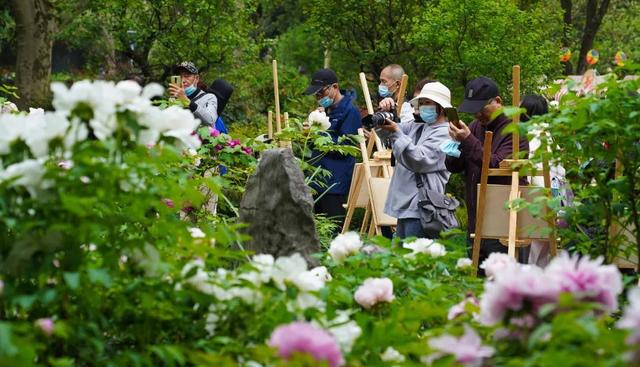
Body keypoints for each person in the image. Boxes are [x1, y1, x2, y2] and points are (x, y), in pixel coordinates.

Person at [445, 77, 529, 266]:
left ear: (498, 101)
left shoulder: (515, 130)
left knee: (504, 283)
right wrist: (456, 144)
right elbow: (454, 167)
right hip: (477, 220)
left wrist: (467, 141)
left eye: (482, 109)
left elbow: (498, 166)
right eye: (473, 111)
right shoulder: (476, 127)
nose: (477, 115)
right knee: (477, 285)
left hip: (504, 222)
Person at [381, 81, 453, 239]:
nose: (422, 107)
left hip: (422, 207)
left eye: (428, 103)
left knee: (415, 259)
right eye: (421, 103)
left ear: (441, 107)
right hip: (406, 207)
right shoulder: (418, 126)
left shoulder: (446, 133)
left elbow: (419, 159)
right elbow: (388, 133)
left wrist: (396, 132)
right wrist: (385, 113)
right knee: (401, 260)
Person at [303, 68, 362, 224]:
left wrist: (317, 133)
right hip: (316, 180)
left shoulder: (351, 111)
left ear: (334, 87)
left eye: (321, 93)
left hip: (335, 185)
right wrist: (309, 132)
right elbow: (313, 146)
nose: (319, 98)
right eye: (316, 95)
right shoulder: (324, 111)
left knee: (332, 229)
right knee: (317, 229)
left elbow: (346, 147)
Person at [169, 61, 219, 127]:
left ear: (196, 78)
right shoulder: (174, 99)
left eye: (187, 76)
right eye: (180, 77)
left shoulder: (209, 97)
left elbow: (210, 120)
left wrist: (186, 101)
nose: (183, 80)